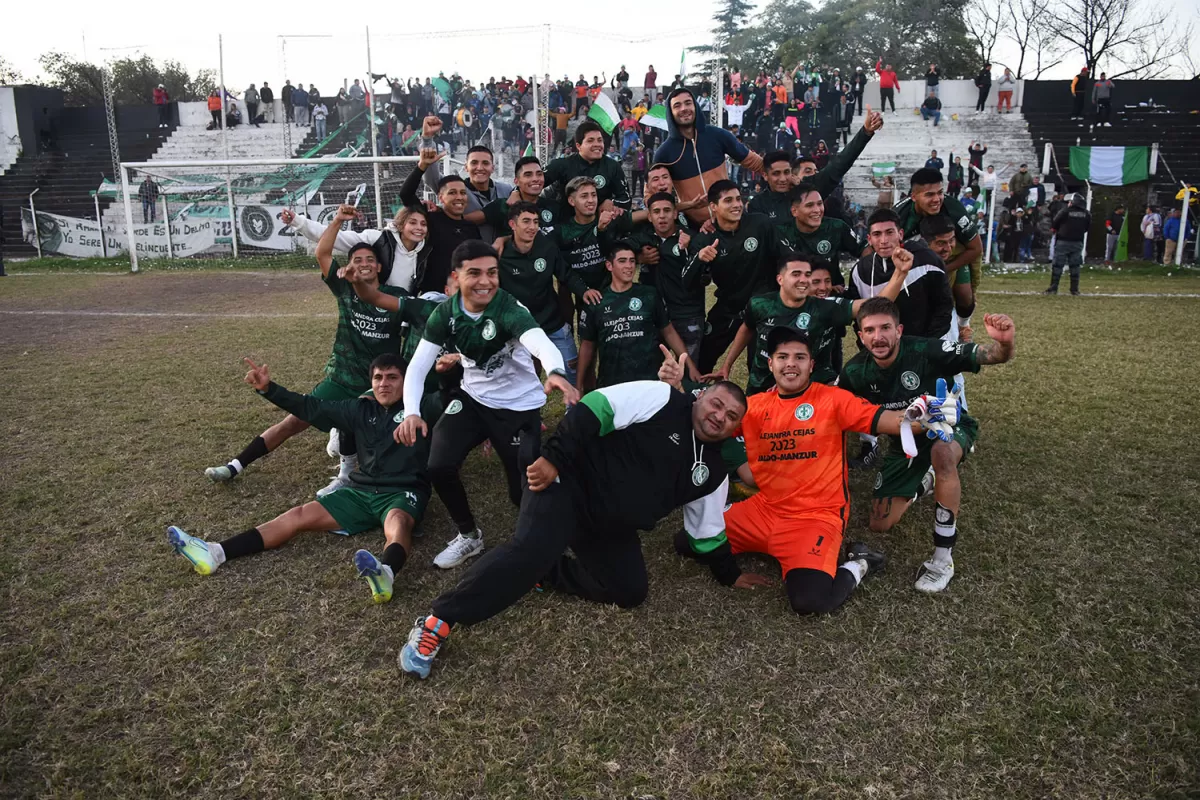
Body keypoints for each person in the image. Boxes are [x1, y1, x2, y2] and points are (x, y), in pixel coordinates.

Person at [398, 375, 749, 678]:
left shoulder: (714, 472)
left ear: (736, 427)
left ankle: (546, 571)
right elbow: (595, 407)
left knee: (629, 591)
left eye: (731, 416)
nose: (719, 417)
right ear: (701, 395)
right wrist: (554, 459)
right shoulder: (663, 399)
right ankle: (437, 621)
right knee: (528, 550)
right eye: (716, 404)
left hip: (608, 526)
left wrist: (730, 574)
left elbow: (707, 532)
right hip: (566, 483)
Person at [169, 353, 434, 604]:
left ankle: (385, 573)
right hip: (360, 492)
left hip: (402, 492)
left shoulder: (423, 407)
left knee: (397, 522)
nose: (384, 384)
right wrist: (268, 388)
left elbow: (456, 399)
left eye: (392, 377)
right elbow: (310, 407)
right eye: (378, 378)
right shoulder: (359, 409)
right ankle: (216, 552)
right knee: (298, 514)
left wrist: (450, 369)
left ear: (406, 380)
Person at [205, 206, 423, 495]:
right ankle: (235, 465)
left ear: (380, 267)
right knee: (294, 421)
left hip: (379, 386)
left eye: (370, 260)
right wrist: (337, 220)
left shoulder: (397, 298)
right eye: (357, 260)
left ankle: (348, 475)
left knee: (368, 428)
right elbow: (322, 254)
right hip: (342, 377)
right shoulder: (345, 289)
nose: (364, 264)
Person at [391, 241, 578, 571]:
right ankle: (468, 535)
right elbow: (419, 366)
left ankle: (550, 536)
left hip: (519, 408)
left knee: (524, 491)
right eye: (474, 273)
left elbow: (540, 342)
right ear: (456, 276)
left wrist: (556, 371)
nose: (485, 281)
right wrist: (411, 412)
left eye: (492, 273)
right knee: (439, 465)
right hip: (473, 399)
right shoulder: (445, 314)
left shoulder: (509, 308)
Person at [840, 298, 1016, 592]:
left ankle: (942, 559)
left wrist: (1005, 344)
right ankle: (927, 480)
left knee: (941, 452)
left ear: (899, 330)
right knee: (879, 522)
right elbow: (837, 411)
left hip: (948, 429)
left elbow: (992, 355)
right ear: (860, 336)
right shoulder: (856, 371)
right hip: (904, 442)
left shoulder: (927, 349)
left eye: (885, 328)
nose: (878, 336)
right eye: (869, 330)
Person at [706, 249, 911, 394]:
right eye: (796, 274)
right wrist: (727, 366)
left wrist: (900, 273)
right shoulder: (760, 304)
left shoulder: (825, 307)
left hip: (812, 386)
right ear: (780, 279)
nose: (804, 280)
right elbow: (747, 328)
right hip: (762, 385)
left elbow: (876, 305)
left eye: (807, 275)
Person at [493, 202, 601, 386]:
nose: (532, 227)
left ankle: (574, 411)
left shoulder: (547, 247)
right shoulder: (500, 254)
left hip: (552, 322)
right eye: (526, 221)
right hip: (519, 327)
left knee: (572, 369)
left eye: (535, 222)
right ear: (512, 224)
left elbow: (565, 273)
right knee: (523, 377)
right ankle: (530, 412)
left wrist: (584, 290)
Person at [684, 180, 785, 373]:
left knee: (760, 365)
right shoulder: (705, 238)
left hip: (763, 307)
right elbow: (686, 282)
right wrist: (699, 259)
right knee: (702, 359)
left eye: (738, 199)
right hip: (728, 307)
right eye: (728, 200)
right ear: (713, 207)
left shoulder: (760, 224)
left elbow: (785, 259)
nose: (737, 204)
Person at [577, 240, 695, 390]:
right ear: (609, 266)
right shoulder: (597, 301)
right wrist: (578, 385)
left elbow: (669, 331)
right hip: (612, 385)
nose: (629, 266)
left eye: (632, 261)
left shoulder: (649, 295)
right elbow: (587, 346)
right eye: (622, 261)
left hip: (650, 382)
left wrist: (691, 366)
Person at [652, 88, 765, 227]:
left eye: (688, 103)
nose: (684, 108)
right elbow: (654, 197)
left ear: (695, 106)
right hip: (694, 228)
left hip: (730, 219)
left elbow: (754, 162)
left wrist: (783, 176)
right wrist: (688, 206)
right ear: (670, 113)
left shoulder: (717, 135)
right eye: (677, 105)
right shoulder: (664, 153)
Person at [747, 109, 883, 223]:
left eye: (786, 172)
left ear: (792, 173)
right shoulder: (757, 204)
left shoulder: (809, 189)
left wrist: (865, 132)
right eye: (776, 174)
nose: (783, 178)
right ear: (765, 175)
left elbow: (840, 163)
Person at [286, 204, 429, 293]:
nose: (419, 228)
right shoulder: (378, 239)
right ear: (401, 225)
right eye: (412, 222)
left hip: (403, 311)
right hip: (377, 305)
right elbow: (335, 238)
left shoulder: (427, 250)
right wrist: (299, 222)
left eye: (423, 224)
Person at [628, 192, 704, 359]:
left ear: (675, 213)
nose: (662, 216)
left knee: (687, 372)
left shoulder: (692, 238)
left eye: (667, 210)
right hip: (653, 315)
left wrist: (689, 250)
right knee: (651, 370)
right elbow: (615, 251)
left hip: (687, 315)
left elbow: (704, 276)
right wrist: (638, 258)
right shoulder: (643, 238)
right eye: (656, 212)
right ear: (649, 216)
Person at [399, 145, 482, 293]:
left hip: (463, 297)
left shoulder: (471, 228)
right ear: (441, 198)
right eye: (452, 192)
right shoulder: (429, 219)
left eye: (463, 193)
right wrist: (422, 167)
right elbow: (406, 194)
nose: (459, 197)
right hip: (432, 296)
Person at [544, 120, 631, 212]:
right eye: (590, 140)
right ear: (578, 146)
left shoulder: (612, 166)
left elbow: (626, 199)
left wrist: (612, 203)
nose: (597, 144)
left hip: (601, 223)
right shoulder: (561, 165)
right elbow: (536, 183)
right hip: (566, 223)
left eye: (600, 140)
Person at [775, 181, 863, 273]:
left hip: (829, 285)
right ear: (794, 211)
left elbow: (862, 249)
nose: (817, 210)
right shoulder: (781, 232)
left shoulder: (836, 227)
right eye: (809, 205)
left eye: (820, 204)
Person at [1044, 194, 1091, 295]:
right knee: (1075, 266)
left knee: (1058, 266)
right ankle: (1074, 289)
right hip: (1077, 242)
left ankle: (1053, 288)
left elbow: (1055, 223)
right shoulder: (1086, 214)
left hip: (1063, 241)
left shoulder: (1065, 211)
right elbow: (1087, 228)